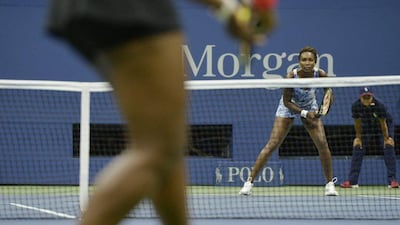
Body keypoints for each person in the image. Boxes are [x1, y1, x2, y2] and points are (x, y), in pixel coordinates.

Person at [46, 0, 277, 225]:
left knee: (166, 148)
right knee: (156, 152)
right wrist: (229, 9)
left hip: (85, 9)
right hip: (132, 9)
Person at [239, 46, 338, 196]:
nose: (307, 63)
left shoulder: (321, 74)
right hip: (289, 106)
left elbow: (329, 93)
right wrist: (305, 113)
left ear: (315, 62)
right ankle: (249, 183)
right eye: (304, 60)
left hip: (310, 105)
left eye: (310, 60)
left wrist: (324, 110)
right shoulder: (291, 77)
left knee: (322, 143)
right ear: (299, 62)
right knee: (272, 144)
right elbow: (286, 101)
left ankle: (330, 184)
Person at [340, 87, 399, 189]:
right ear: (360, 97)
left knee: (388, 146)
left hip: (384, 126)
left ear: (372, 96)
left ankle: (392, 180)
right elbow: (357, 122)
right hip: (367, 126)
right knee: (358, 147)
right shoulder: (356, 106)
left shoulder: (380, 105)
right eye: (364, 97)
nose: (367, 99)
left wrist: (386, 138)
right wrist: (358, 138)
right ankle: (352, 181)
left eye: (369, 97)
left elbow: (382, 123)